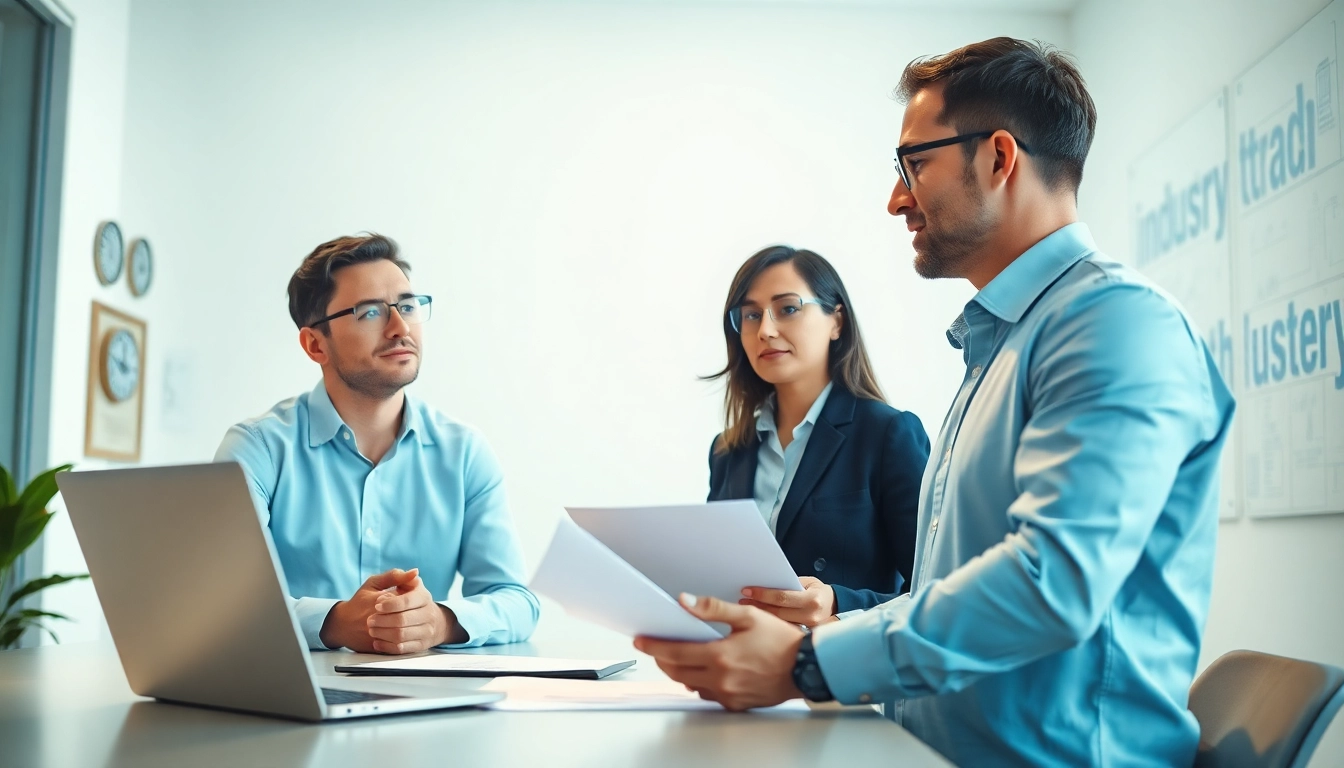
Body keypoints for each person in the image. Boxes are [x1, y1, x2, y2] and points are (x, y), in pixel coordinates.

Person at [635, 37, 1235, 767]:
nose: (896, 199)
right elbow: (938, 593)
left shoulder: (1114, 324)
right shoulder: (999, 346)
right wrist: (817, 633)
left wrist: (809, 660)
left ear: (999, 158)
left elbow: (1053, 582)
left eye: (914, 165)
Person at [216, 233, 539, 655]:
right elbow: (224, 604)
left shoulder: (464, 453)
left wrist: (439, 622)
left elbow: (517, 602)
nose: (400, 328)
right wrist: (332, 623)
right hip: (287, 701)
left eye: (406, 306)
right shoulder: (256, 450)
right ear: (316, 344)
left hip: (425, 703)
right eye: (369, 312)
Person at [705, 245, 928, 626]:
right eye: (751, 315)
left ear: (836, 321)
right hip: (740, 667)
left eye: (788, 308)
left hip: (841, 672)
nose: (766, 330)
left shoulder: (888, 434)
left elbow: (934, 590)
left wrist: (839, 604)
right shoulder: (728, 450)